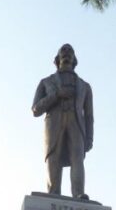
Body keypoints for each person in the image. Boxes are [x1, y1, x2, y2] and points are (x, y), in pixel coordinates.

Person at [32, 43, 94, 199]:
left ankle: (78, 193)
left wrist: (89, 137)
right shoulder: (46, 82)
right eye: (63, 51)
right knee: (53, 157)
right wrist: (56, 95)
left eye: (70, 51)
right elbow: (35, 109)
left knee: (77, 159)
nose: (66, 53)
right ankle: (53, 193)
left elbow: (89, 116)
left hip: (77, 125)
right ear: (57, 58)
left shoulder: (85, 86)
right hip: (53, 124)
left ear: (74, 59)